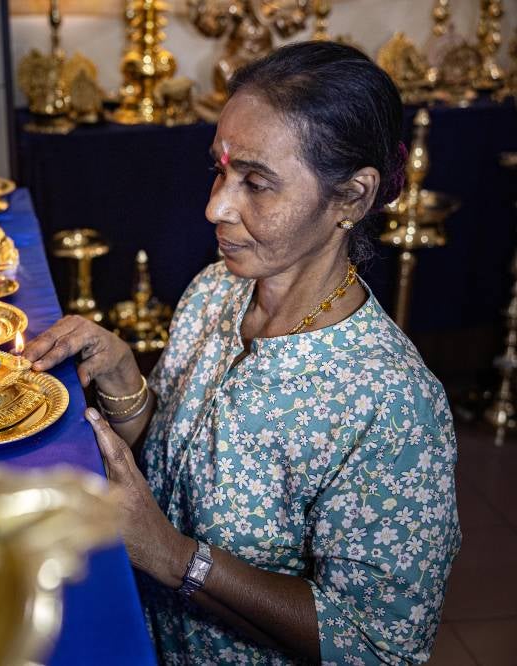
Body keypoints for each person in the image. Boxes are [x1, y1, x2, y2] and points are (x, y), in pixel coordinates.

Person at [25, 41, 460, 665]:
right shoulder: (216, 292)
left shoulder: (390, 404)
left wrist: (172, 557)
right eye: (220, 171)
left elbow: (378, 646)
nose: (216, 207)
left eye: (256, 183)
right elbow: (177, 465)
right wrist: (124, 376)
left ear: (352, 199)